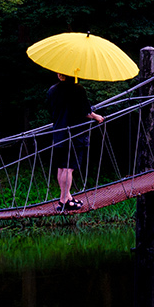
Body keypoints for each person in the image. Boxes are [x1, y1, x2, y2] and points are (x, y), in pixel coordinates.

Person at [47, 74, 105, 211]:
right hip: (74, 134)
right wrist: (96, 116)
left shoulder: (52, 90)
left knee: (62, 167)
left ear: (60, 75)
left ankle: (67, 198)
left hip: (59, 133)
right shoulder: (77, 89)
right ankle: (63, 201)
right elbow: (86, 112)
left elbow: (52, 111)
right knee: (69, 168)